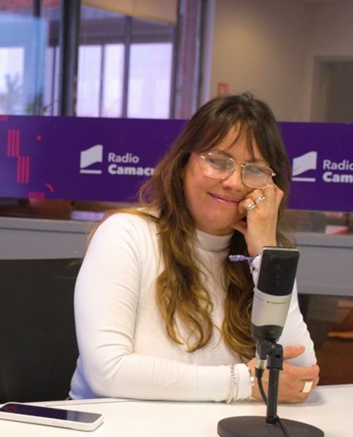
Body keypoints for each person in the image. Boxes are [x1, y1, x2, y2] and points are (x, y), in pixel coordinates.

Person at [69, 92, 320, 403]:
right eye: (218, 161)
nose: (233, 182)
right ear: (183, 163)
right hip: (116, 427)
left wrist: (268, 256)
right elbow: (107, 373)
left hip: (208, 429)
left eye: (254, 170)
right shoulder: (125, 234)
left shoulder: (259, 256)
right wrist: (245, 382)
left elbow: (300, 373)